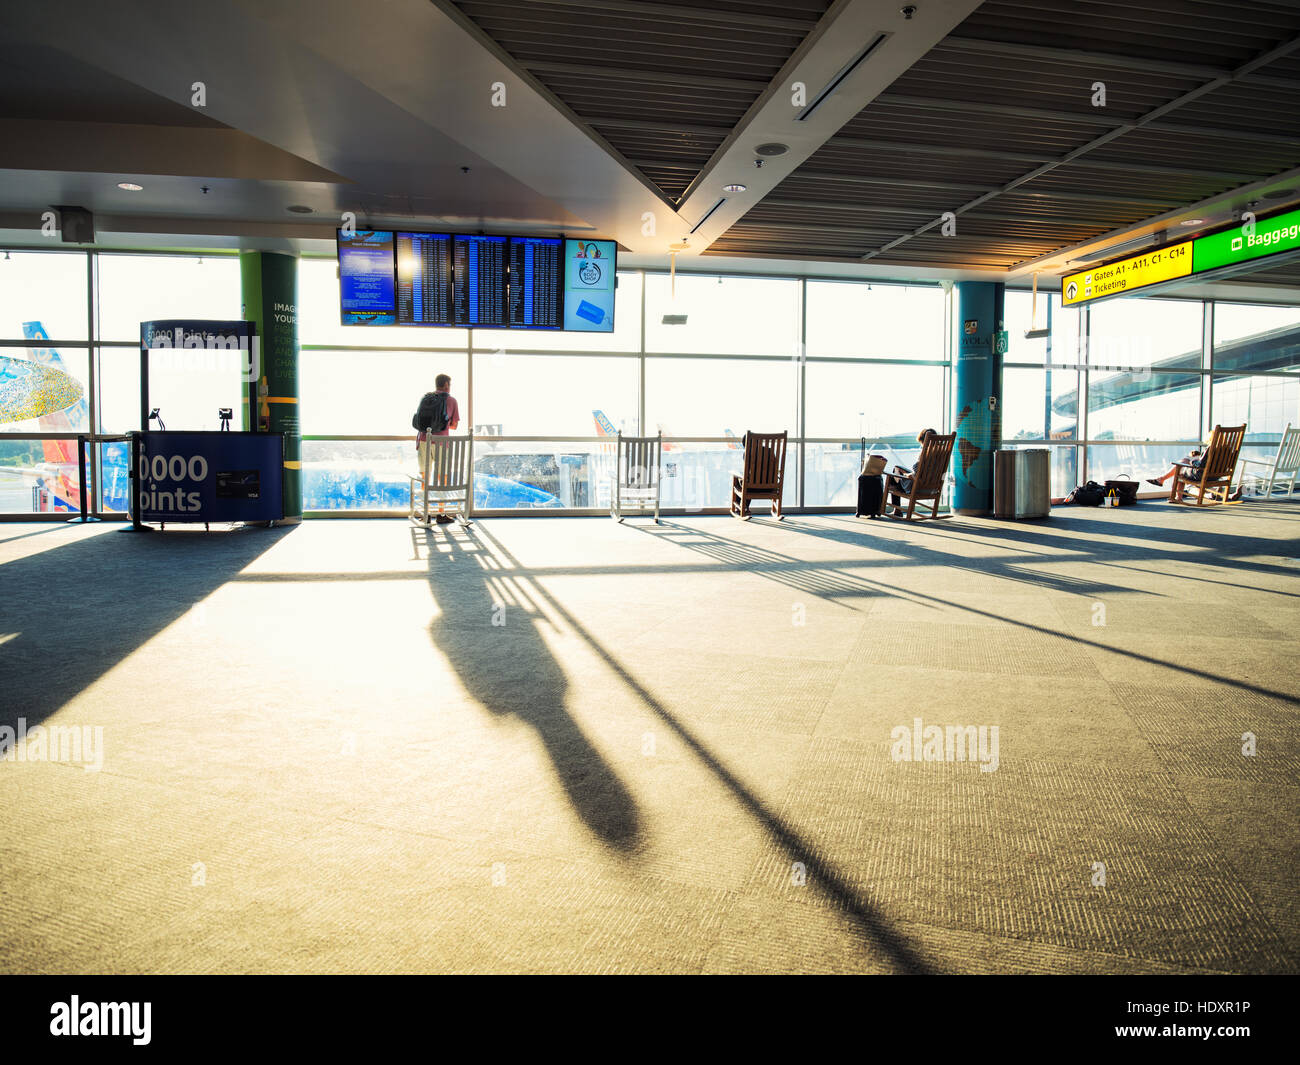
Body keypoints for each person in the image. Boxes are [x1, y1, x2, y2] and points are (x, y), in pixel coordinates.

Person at [413, 374, 461, 523]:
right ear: (446, 384)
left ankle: (426, 514)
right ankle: (441, 513)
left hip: (423, 441)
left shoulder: (426, 398)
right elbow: (454, 425)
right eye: (449, 384)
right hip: (441, 443)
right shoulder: (451, 400)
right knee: (442, 478)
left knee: (424, 476)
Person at [887, 428, 936, 515]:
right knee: (897, 470)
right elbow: (921, 472)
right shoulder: (942, 454)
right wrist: (910, 474)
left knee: (893, 476)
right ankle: (897, 509)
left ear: (924, 441)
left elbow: (916, 474)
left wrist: (909, 475)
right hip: (932, 489)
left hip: (918, 488)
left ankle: (897, 509)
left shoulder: (925, 454)